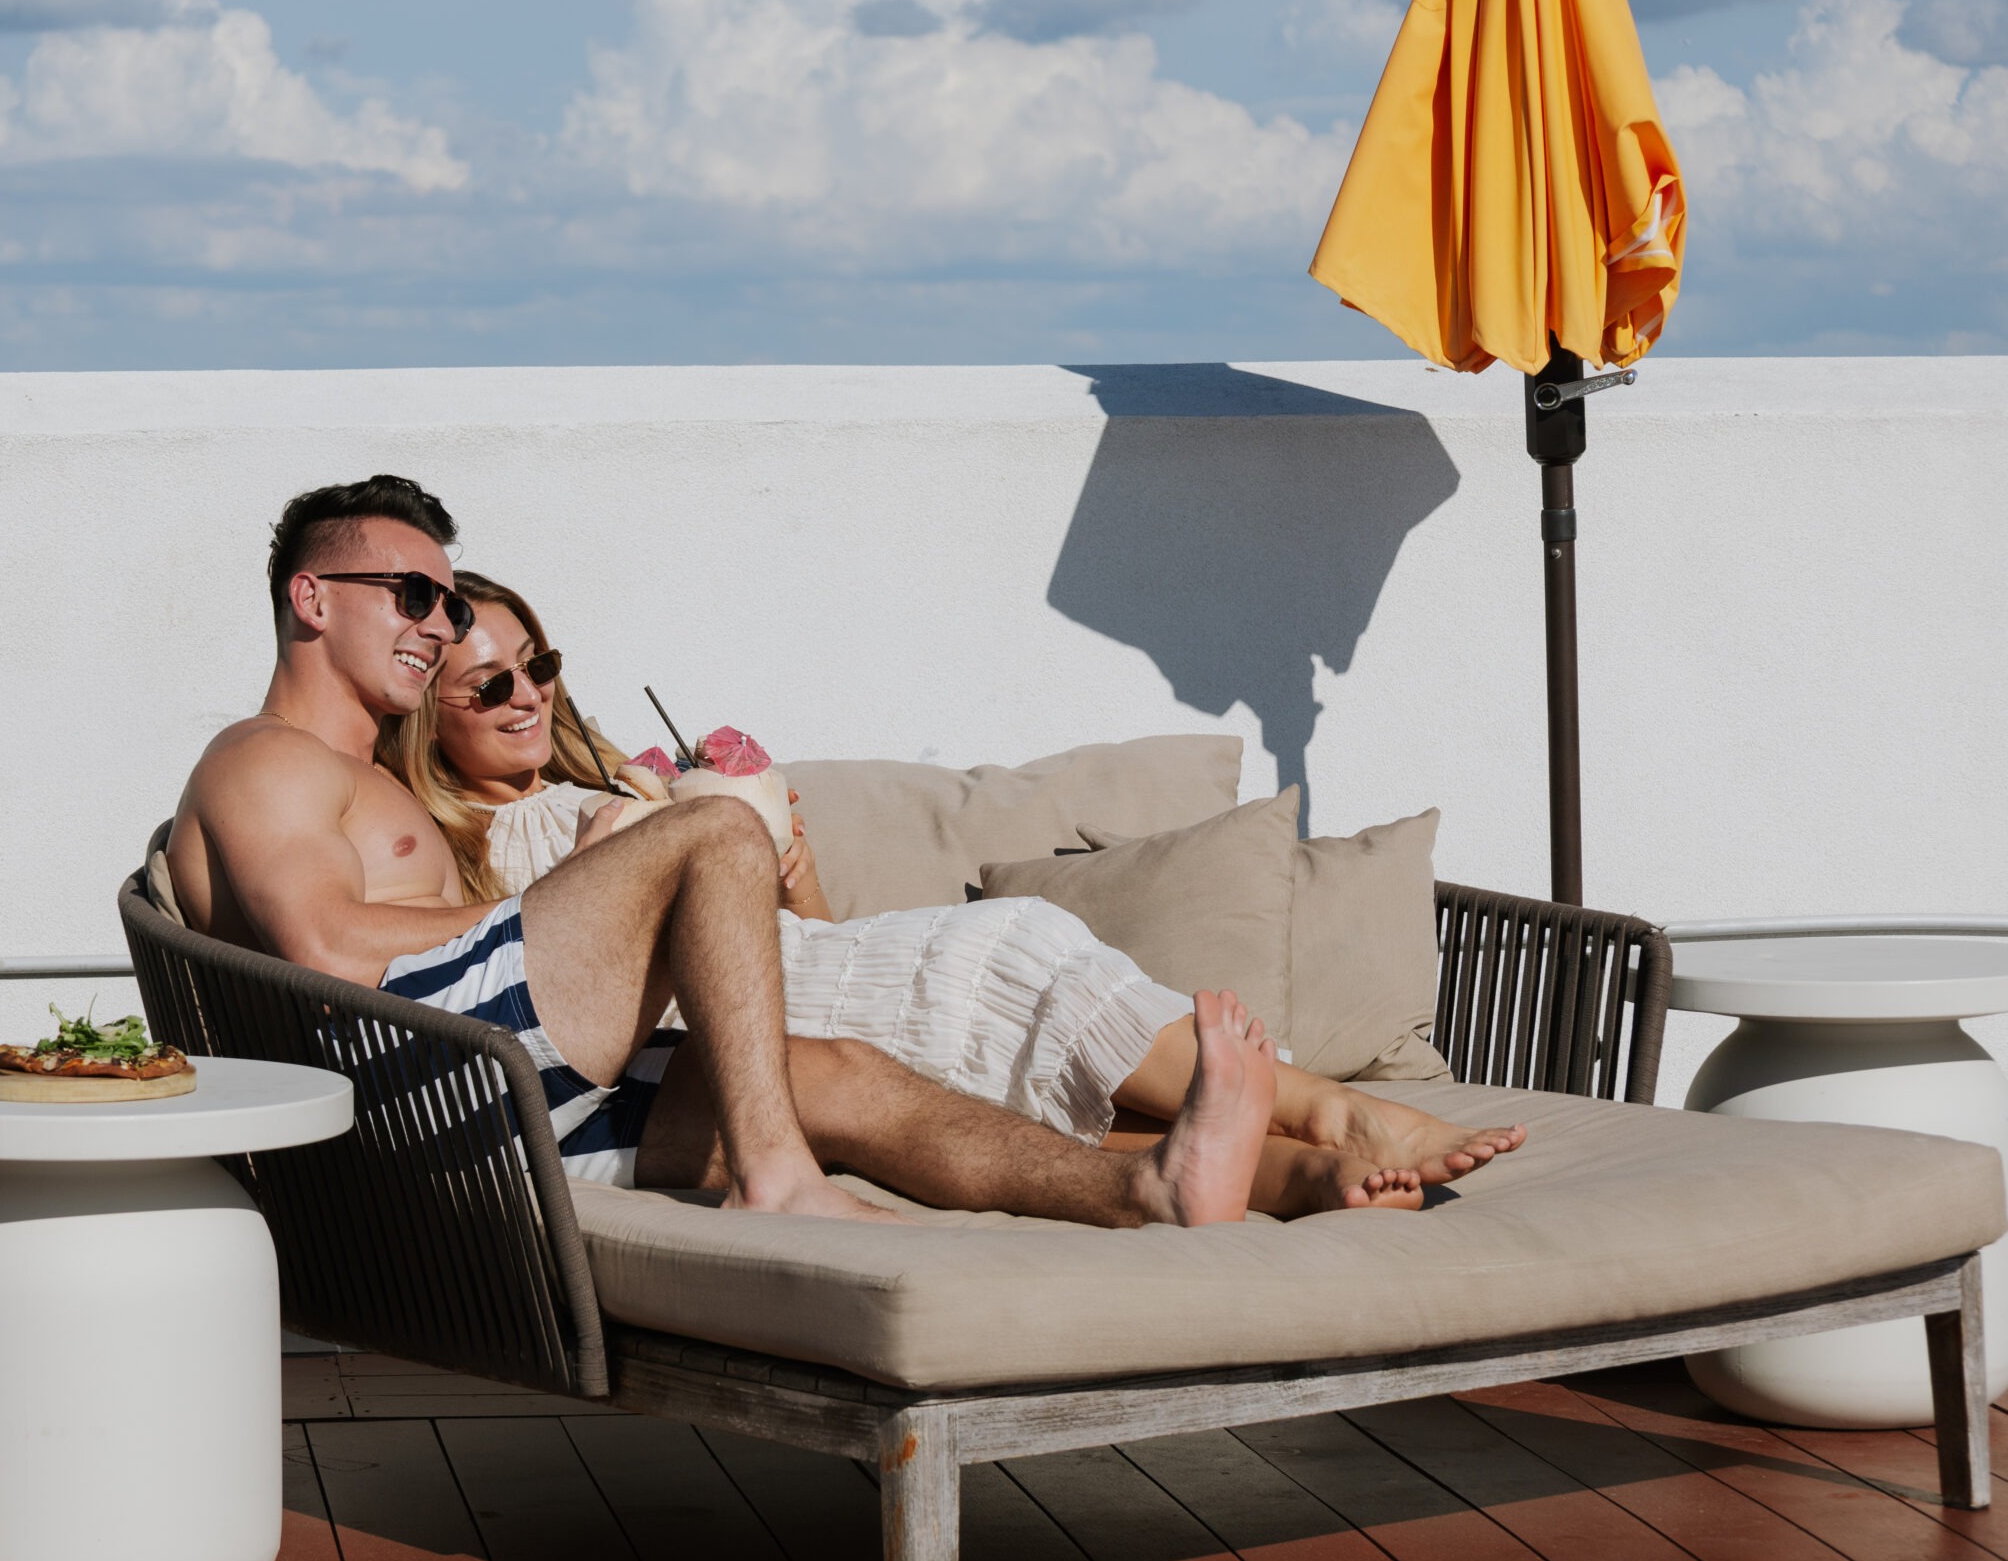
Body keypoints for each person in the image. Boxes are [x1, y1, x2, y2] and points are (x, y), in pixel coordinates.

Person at [168, 475, 1335, 1231]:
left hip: (481, 1084)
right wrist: (581, 905)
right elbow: (325, 948)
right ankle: (779, 1180)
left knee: (846, 1077)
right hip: (418, 1092)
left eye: (439, 599)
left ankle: (1145, 1187)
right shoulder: (264, 758)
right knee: (713, 826)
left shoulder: (364, 773)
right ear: (312, 599)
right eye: (409, 594)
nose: (433, 623)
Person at [384, 569, 1528, 1213]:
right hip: (711, 1031)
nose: (526, 694)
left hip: (791, 982)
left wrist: (789, 876)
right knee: (1011, 946)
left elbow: (791, 944)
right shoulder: (474, 840)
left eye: (540, 665)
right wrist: (615, 850)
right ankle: (1326, 1118)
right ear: (428, 711)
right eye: (489, 684)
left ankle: (1303, 1170)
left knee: (1009, 1029)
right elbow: (559, 987)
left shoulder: (615, 781)